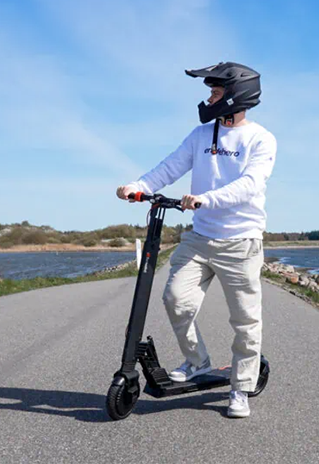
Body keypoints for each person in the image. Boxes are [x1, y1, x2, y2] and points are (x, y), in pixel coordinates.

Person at [116, 62, 277, 418]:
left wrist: (208, 198)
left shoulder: (261, 139)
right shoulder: (201, 135)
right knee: (175, 299)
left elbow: (251, 184)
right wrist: (139, 187)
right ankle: (197, 360)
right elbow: (170, 166)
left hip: (241, 241)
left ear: (236, 96)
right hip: (201, 236)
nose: (209, 98)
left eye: (216, 93)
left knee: (245, 320)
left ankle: (241, 389)